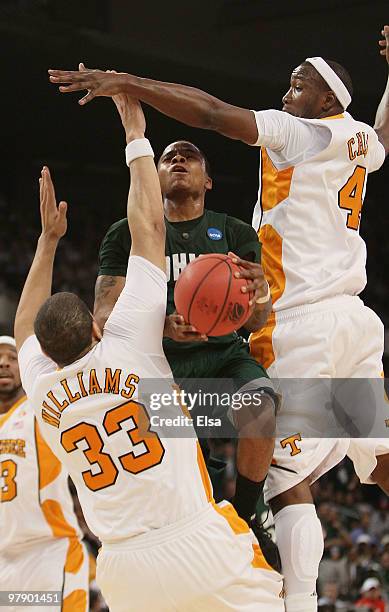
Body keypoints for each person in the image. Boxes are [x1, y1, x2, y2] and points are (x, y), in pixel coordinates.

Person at [48, 24, 389, 612]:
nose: (286, 93)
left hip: (301, 321)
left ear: (326, 100)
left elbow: (208, 112)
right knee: (379, 458)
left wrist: (128, 82)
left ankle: (296, 597)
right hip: (356, 318)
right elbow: (385, 131)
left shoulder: (294, 135)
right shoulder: (361, 141)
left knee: (282, 473)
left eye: (297, 84)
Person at [14, 94, 284, 611]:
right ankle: (250, 510)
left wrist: (47, 243)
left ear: (42, 354)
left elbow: (23, 324)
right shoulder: (130, 345)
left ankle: (249, 502)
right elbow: (148, 227)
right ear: (97, 329)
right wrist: (136, 135)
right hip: (196, 542)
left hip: (118, 565)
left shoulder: (40, 386)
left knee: (258, 405)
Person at [94, 136, 279, 555]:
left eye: (189, 155)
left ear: (208, 180)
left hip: (224, 356)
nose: (177, 159)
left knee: (262, 407)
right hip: (162, 367)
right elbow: (104, 317)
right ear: (155, 178)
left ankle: (250, 513)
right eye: (167, 157)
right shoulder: (126, 234)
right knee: (196, 494)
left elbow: (256, 319)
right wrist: (163, 325)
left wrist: (261, 290)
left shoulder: (234, 232)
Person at [0, 336, 89, 611]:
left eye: (12, 358)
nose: (3, 363)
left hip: (47, 556)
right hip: (4, 564)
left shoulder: (41, 407)